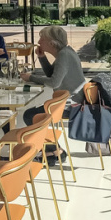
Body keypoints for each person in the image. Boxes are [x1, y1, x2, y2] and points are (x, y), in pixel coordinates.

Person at [20, 26, 86, 164]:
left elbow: (54, 82)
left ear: (51, 43)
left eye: (41, 39)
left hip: (71, 106)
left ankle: (56, 151)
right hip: (69, 101)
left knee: (29, 115)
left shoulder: (64, 55)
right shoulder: (66, 52)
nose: (39, 41)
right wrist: (42, 57)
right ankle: (52, 150)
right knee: (33, 115)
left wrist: (31, 78)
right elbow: (52, 74)